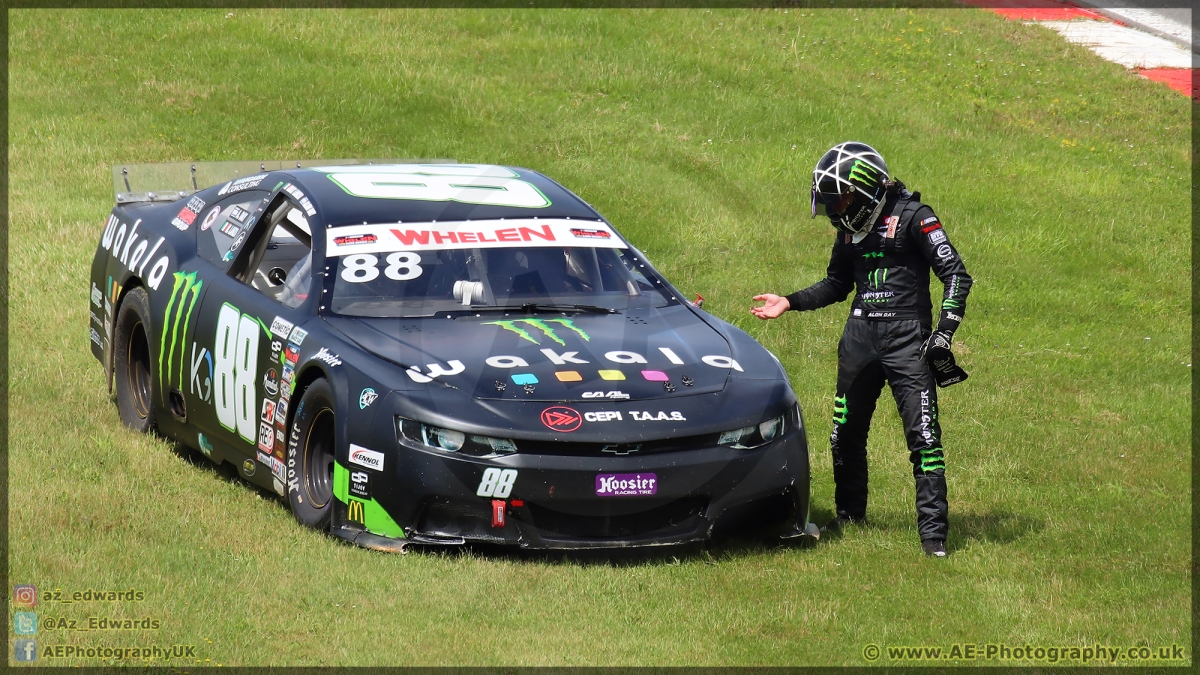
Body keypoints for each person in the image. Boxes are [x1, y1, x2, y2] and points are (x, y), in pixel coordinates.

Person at [753, 142, 972, 557]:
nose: (836, 209)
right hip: (858, 338)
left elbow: (957, 276)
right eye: (831, 202)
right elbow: (837, 283)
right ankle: (850, 518)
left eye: (840, 199)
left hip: (908, 339)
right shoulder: (847, 228)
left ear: (865, 189)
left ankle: (933, 538)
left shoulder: (916, 217)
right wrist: (789, 301)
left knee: (924, 439)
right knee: (843, 436)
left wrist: (943, 334)